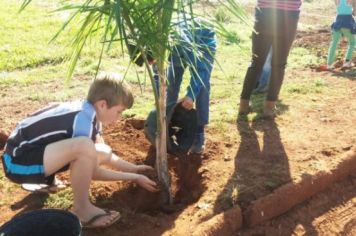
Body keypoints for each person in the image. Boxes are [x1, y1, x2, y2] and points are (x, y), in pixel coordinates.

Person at [1, 73, 158, 229]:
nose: (119, 117)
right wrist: (134, 177)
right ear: (103, 104)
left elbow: (102, 154)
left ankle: (46, 181)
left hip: (26, 152)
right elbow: (93, 171)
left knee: (98, 148)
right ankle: (81, 209)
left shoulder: (89, 113)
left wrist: (134, 169)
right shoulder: (82, 121)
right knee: (84, 147)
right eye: (119, 111)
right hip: (17, 163)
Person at [239, 0, 302, 118]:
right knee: (279, 65)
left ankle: (243, 106)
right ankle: (269, 108)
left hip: (265, 14)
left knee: (256, 62)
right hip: (289, 16)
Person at [162, 20, 217, 154]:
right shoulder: (165, 40)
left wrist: (191, 95)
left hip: (202, 42)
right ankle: (168, 123)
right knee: (172, 82)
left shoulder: (194, 45)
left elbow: (200, 72)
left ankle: (199, 132)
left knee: (202, 88)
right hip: (178, 43)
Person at [326, 0, 356, 70]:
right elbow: (354, 12)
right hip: (347, 22)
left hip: (337, 22)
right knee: (352, 42)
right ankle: (347, 62)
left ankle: (329, 64)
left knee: (334, 43)